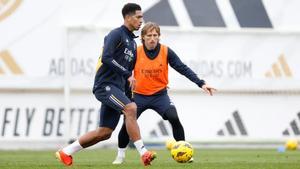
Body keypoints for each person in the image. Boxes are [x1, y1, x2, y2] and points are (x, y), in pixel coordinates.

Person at [55, 3, 156, 166]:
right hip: (105, 85)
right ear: (128, 17)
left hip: (117, 89)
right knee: (130, 108)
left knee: (104, 133)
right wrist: (127, 75)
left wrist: (128, 92)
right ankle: (144, 153)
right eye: (138, 17)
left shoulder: (132, 43)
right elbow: (107, 58)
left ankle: (66, 152)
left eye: (141, 17)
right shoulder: (116, 34)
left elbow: (127, 75)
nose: (141, 21)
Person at [112, 22, 216, 164]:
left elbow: (182, 68)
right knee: (127, 124)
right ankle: (120, 156)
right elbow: (124, 73)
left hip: (160, 96)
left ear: (159, 37)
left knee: (174, 117)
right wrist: (123, 97)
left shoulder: (166, 51)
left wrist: (201, 83)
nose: (152, 38)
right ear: (143, 37)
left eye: (155, 35)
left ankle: (185, 151)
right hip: (138, 96)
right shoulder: (136, 52)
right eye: (149, 35)